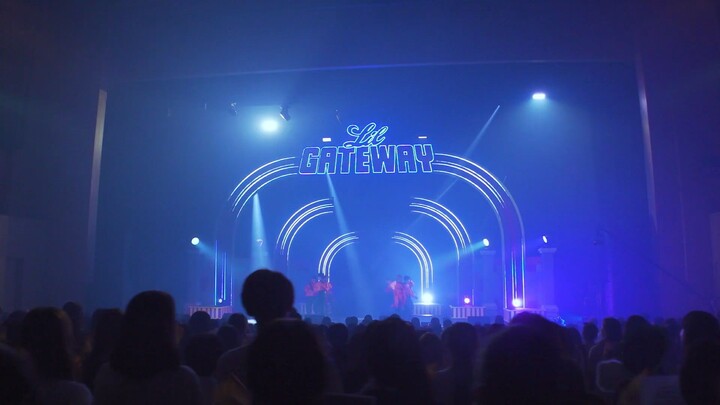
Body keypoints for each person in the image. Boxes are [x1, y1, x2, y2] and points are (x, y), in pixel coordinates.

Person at [94, 291, 202, 405]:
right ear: (166, 328)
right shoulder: (184, 380)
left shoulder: (107, 375)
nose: (178, 325)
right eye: (174, 320)